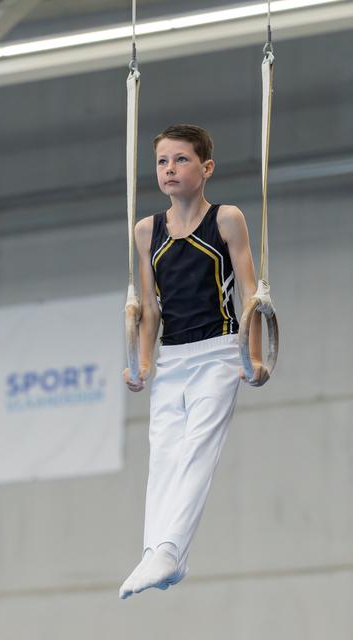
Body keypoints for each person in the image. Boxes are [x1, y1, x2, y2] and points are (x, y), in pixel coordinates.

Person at [119, 124, 269, 600]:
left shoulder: (227, 219)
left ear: (205, 169)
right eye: (163, 161)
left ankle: (168, 547)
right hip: (173, 356)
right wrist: (142, 362)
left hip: (222, 352)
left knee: (197, 450)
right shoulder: (147, 231)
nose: (169, 170)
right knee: (163, 454)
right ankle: (156, 552)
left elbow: (251, 293)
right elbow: (150, 307)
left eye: (181, 160)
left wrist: (256, 355)